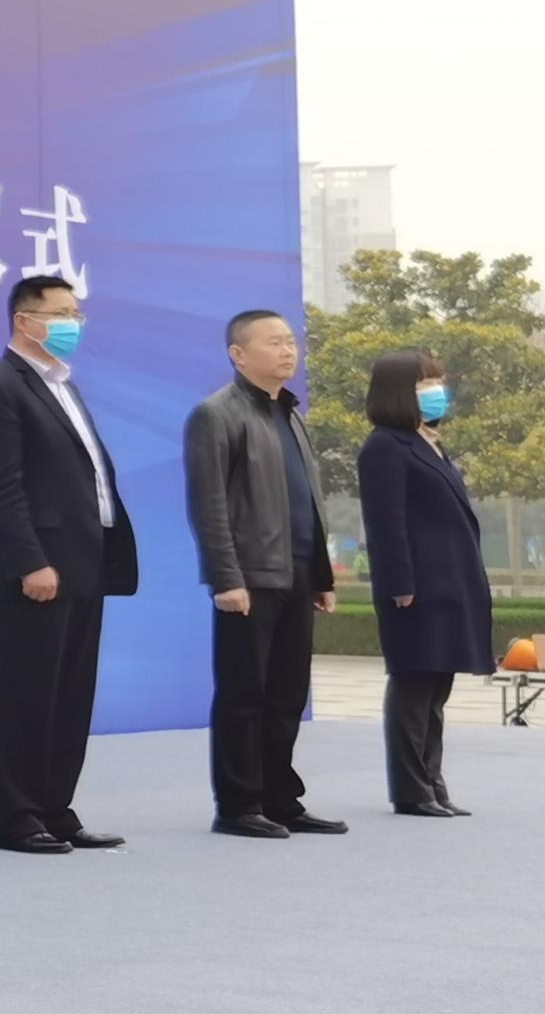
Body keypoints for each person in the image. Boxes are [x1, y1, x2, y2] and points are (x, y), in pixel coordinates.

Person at [0, 274, 139, 854]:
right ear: (24, 320)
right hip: (37, 572)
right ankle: (18, 818)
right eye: (60, 313)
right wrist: (29, 561)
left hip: (85, 564)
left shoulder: (63, 385)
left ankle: (57, 809)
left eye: (76, 314)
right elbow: (2, 486)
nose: (72, 324)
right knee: (27, 695)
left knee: (70, 694)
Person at [183, 309, 345, 839]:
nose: (287, 350)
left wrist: (321, 575)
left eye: (290, 341)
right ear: (238, 354)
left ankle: (280, 798)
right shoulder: (216, 414)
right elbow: (209, 504)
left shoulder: (290, 414)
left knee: (287, 695)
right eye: (273, 342)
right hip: (249, 577)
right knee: (244, 694)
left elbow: (309, 502)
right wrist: (225, 577)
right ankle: (237, 804)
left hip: (296, 572)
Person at [354, 349, 493, 816]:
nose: (436, 391)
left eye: (438, 381)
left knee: (436, 690)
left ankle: (433, 783)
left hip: (451, 581)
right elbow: (385, 522)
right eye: (424, 384)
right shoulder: (384, 446)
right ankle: (411, 790)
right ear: (398, 392)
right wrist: (399, 584)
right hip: (415, 587)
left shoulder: (429, 442)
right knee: (413, 688)